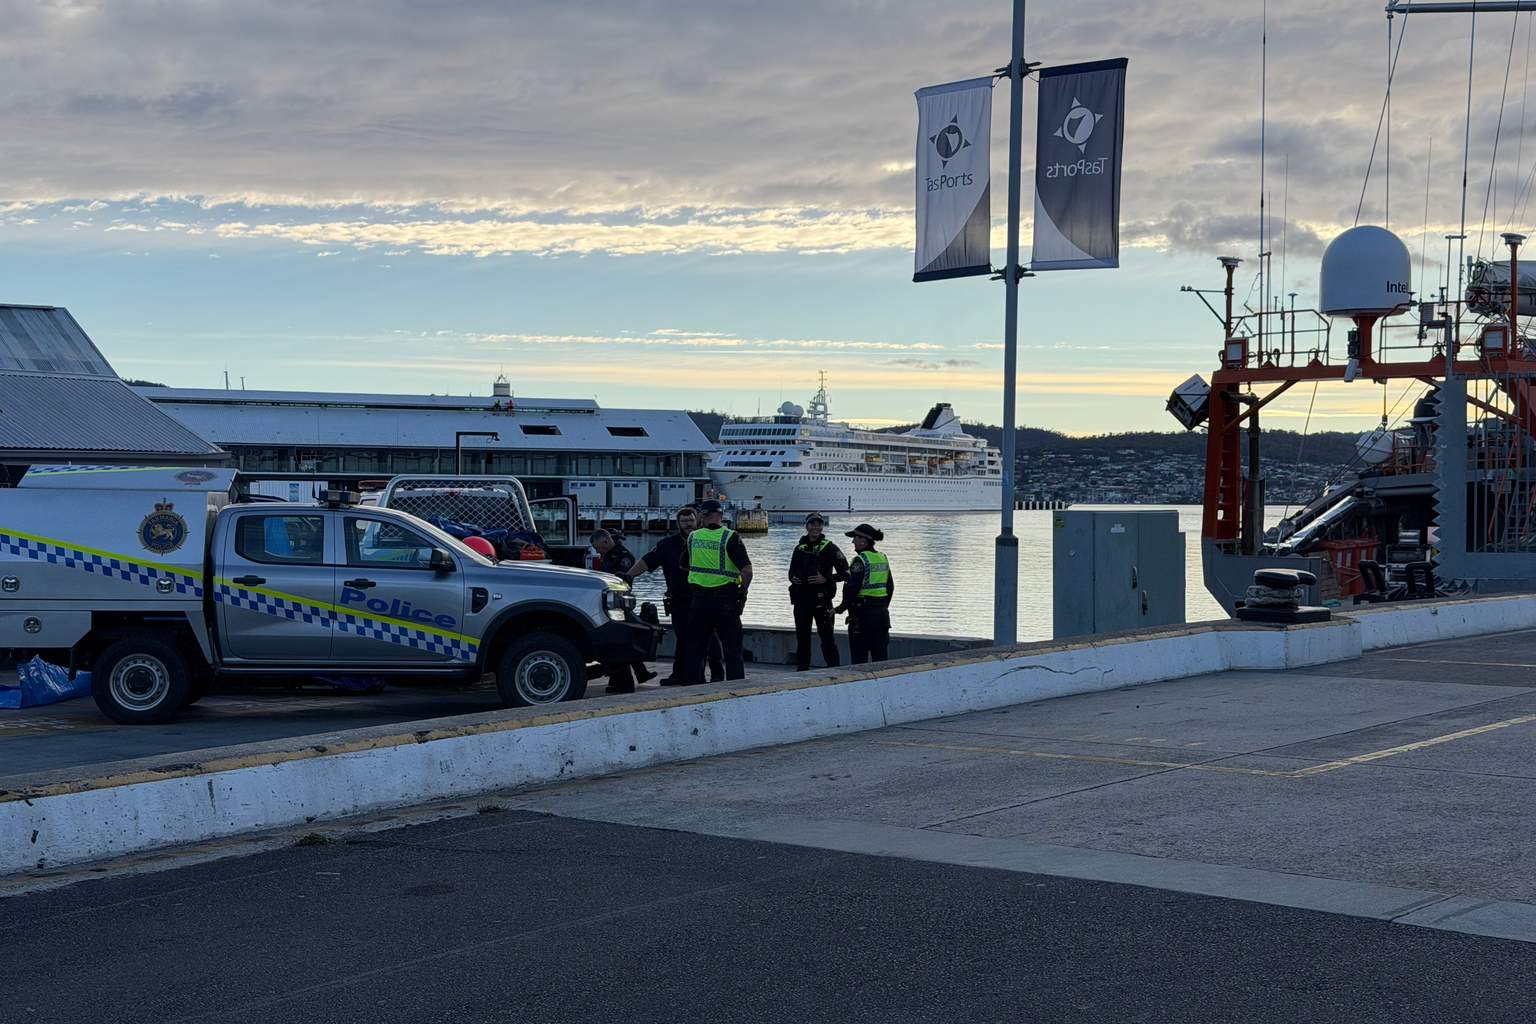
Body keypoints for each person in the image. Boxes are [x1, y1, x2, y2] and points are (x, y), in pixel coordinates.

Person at [628, 507, 725, 686]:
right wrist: (627, 576)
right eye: (684, 521)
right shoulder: (667, 545)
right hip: (679, 600)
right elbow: (647, 561)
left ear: (698, 521)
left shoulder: (705, 541)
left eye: (691, 520)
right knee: (683, 638)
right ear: (678, 523)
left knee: (710, 639)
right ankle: (679, 674)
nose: (688, 524)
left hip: (705, 597)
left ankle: (717, 675)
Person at [681, 499, 752, 681]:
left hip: (698, 600)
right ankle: (735, 688)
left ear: (701, 516)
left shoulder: (693, 537)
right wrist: (742, 592)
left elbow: (684, 565)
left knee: (696, 649)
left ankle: (694, 687)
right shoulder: (730, 537)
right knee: (732, 650)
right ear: (721, 515)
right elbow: (747, 571)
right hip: (725, 600)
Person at [590, 529, 656, 693]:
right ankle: (639, 673)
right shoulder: (608, 555)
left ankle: (625, 680)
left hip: (619, 603)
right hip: (610, 602)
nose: (598, 551)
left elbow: (623, 580)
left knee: (621, 642)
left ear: (606, 541)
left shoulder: (624, 556)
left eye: (599, 548)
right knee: (623, 641)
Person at [787, 512, 847, 671]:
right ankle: (802, 671)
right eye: (812, 524)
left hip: (822, 600)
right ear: (806, 526)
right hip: (802, 601)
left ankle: (834, 670)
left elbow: (845, 573)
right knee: (802, 638)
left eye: (819, 524)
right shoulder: (799, 548)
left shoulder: (830, 547)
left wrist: (826, 579)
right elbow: (791, 572)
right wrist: (794, 578)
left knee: (827, 639)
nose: (816, 527)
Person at [835, 523, 893, 665]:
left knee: (859, 663)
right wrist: (881, 606)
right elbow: (890, 587)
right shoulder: (882, 558)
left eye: (855, 538)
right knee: (880, 661)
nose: (853, 541)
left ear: (864, 541)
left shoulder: (860, 560)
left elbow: (852, 589)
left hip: (862, 618)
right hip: (881, 617)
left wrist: (839, 609)